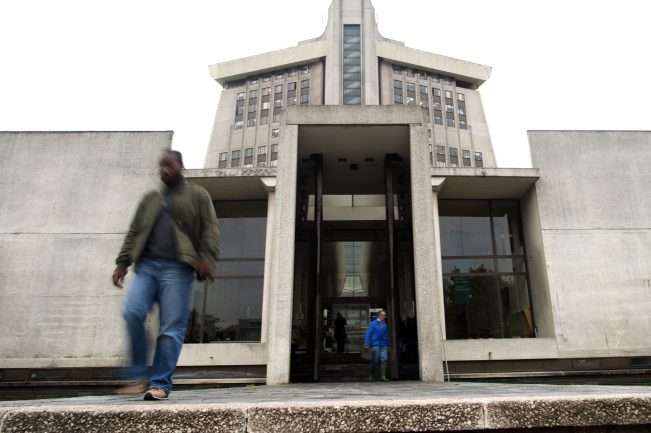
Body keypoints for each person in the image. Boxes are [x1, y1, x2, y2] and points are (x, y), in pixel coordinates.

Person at [112, 150, 220, 400]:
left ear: (181, 166)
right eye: (161, 166)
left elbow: (210, 228)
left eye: (169, 165)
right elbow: (134, 232)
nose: (164, 170)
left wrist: (208, 256)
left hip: (178, 267)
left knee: (171, 327)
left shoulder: (197, 195)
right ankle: (138, 376)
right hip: (147, 266)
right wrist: (122, 263)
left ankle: (159, 384)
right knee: (132, 312)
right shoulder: (151, 199)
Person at [363, 309, 390, 382]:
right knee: (375, 361)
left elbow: (386, 335)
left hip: (384, 345)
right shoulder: (373, 323)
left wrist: (388, 345)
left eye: (385, 315)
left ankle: (383, 376)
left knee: (384, 360)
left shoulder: (385, 324)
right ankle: (371, 375)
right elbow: (369, 334)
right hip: (375, 345)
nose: (385, 316)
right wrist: (366, 343)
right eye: (383, 315)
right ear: (379, 315)